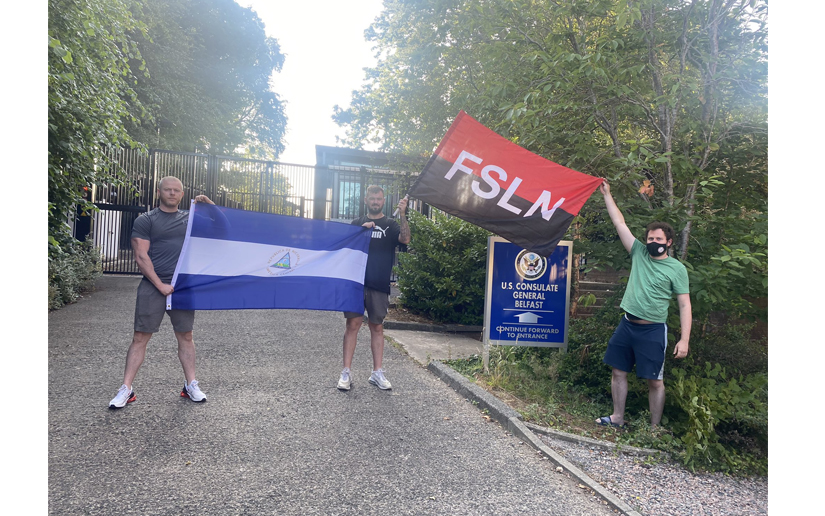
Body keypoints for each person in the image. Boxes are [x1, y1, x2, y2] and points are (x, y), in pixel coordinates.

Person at [108, 176, 215, 409]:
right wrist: (160, 285)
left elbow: (223, 227)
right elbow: (141, 256)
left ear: (182, 194)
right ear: (159, 192)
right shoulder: (146, 220)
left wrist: (210, 205)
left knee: (186, 336)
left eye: (177, 190)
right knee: (140, 337)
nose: (172, 193)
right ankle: (126, 389)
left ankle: (191, 385)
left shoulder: (191, 218)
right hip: (153, 285)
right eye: (168, 190)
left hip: (182, 287)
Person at [596, 180, 692, 428]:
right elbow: (620, 223)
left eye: (658, 239)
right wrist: (607, 194)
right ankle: (617, 418)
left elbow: (684, 305)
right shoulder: (639, 252)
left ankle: (653, 429)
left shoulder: (677, 269)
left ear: (669, 242)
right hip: (627, 325)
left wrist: (684, 339)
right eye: (650, 238)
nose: (652, 242)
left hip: (653, 330)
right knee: (618, 371)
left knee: (655, 381)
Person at [337, 186, 410, 391]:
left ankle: (377, 372)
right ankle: (346, 372)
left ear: (383, 200)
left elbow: (405, 240)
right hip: (356, 284)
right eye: (372, 198)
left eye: (379, 199)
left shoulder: (390, 224)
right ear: (365, 200)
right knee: (353, 325)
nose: (376, 202)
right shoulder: (357, 223)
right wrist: (361, 231)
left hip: (379, 284)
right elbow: (344, 248)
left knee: (376, 326)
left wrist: (403, 214)